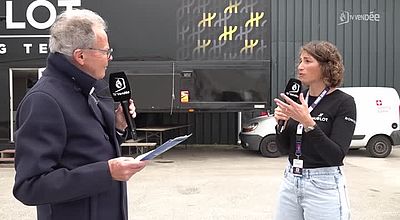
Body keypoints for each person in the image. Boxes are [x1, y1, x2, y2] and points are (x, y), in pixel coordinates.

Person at [13, 9, 146, 220]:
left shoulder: (86, 89)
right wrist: (106, 173)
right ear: (80, 56)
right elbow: (30, 186)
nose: (109, 58)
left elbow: (86, 150)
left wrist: (119, 126)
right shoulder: (44, 100)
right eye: (105, 51)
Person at [273, 41, 357, 220]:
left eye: (307, 61)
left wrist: (309, 123)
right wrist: (281, 124)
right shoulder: (297, 99)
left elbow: (336, 156)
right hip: (290, 180)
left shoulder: (344, 102)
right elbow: (283, 149)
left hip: (323, 184)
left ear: (327, 66)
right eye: (300, 61)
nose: (300, 67)